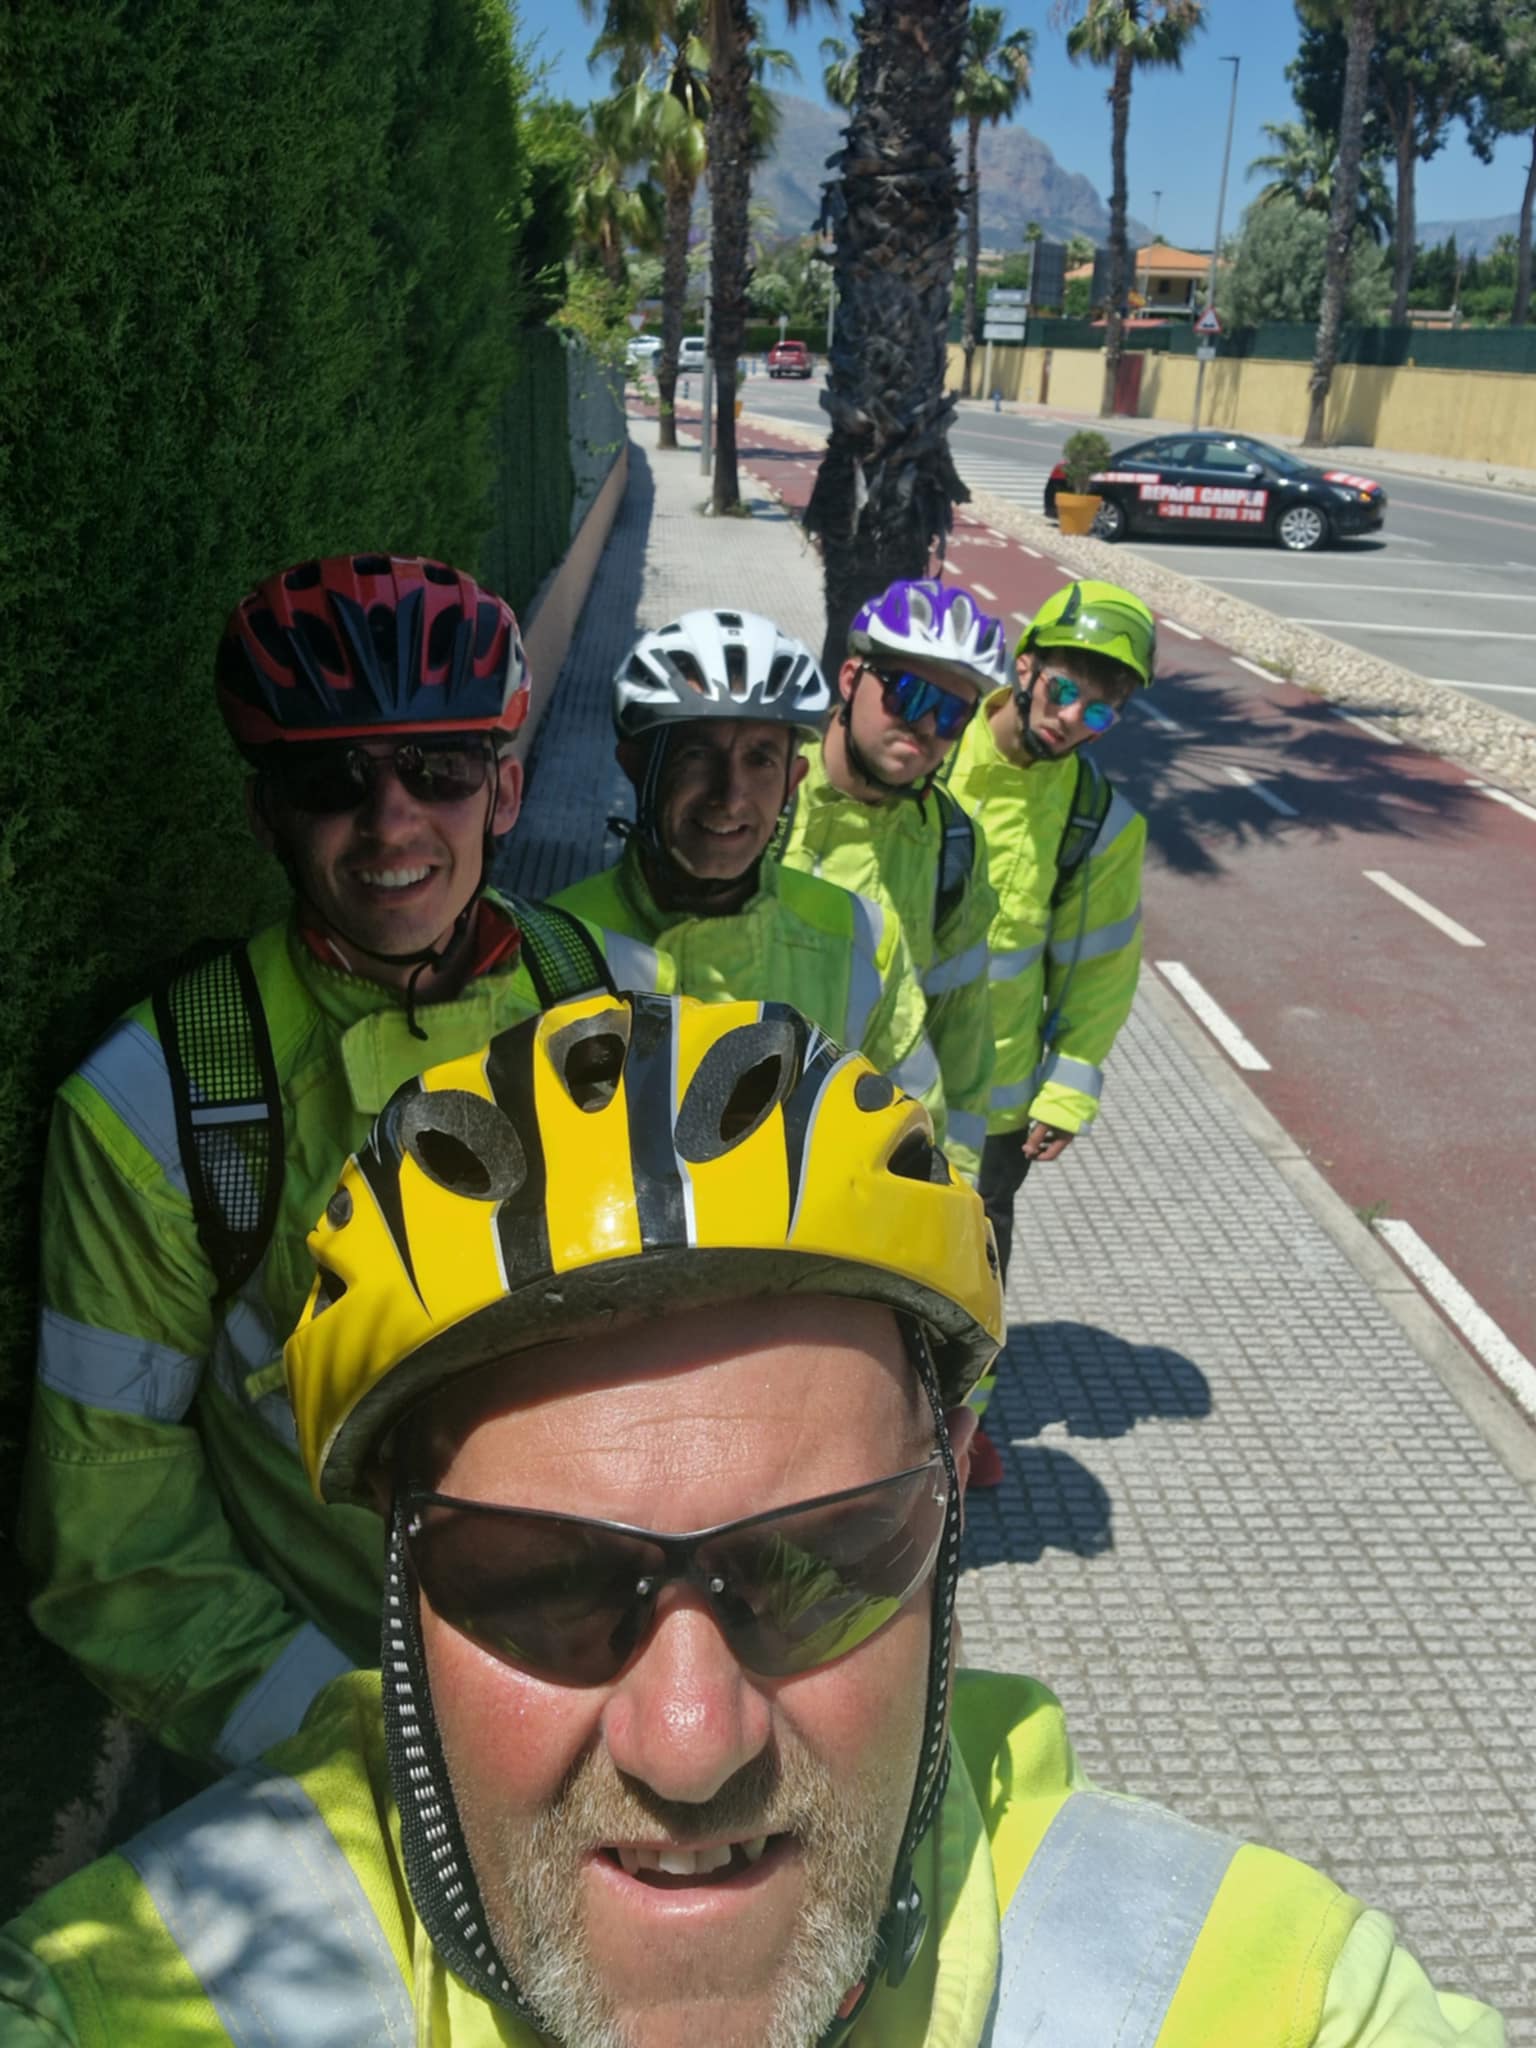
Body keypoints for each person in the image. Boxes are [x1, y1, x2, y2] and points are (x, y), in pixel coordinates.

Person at [0, 995, 1504, 2045]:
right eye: (536, 1582)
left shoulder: (1257, 1992)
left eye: (819, 1562)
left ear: (949, 1524)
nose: (692, 1741)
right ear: (395, 1580)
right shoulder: (132, 1995)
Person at [19, 552, 671, 1777]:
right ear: (266, 815)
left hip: (636, 1684)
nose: (391, 822)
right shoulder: (151, 1104)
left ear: (509, 789)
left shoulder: (624, 999)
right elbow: (119, 1547)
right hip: (335, 1753)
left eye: (438, 770)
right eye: (332, 780)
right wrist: (375, 1755)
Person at [554, 606, 943, 1134]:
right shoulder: (551, 943)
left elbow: (915, 1132)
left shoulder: (862, 938)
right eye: (695, 754)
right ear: (635, 766)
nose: (730, 796)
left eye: (760, 758)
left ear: (793, 779)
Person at [945, 578, 1153, 1285]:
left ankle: (973, 1397)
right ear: (1025, 666)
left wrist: (1065, 1094)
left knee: (971, 1268)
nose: (1072, 720)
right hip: (873, 1077)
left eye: (1100, 712)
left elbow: (1100, 970)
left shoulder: (1098, 821)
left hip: (997, 1104)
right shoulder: (931, 749)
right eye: (1064, 692)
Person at [777, 578, 1003, 1188]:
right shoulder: (765, 793)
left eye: (954, 712)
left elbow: (962, 1035)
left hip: (870, 1167)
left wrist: (959, 1191)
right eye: (907, 693)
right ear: (851, 680)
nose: (927, 725)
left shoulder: (954, 846)